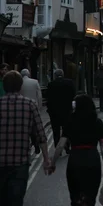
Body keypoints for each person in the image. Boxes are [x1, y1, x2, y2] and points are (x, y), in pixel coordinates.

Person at [0, 71, 51, 205]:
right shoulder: (30, 104)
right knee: (16, 201)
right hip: (20, 164)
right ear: (20, 86)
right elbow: (41, 134)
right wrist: (46, 158)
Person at [50, 93, 103, 206]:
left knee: (76, 198)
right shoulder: (98, 122)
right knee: (90, 199)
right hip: (93, 161)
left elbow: (60, 145)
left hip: (75, 160)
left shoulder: (71, 121)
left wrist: (53, 163)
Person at [47, 69, 75, 151]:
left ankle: (57, 149)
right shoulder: (70, 82)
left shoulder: (51, 84)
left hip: (54, 112)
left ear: (55, 75)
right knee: (67, 129)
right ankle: (67, 146)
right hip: (67, 111)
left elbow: (48, 98)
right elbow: (74, 94)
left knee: (56, 131)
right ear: (63, 75)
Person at [20, 69, 43, 155]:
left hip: (22, 108)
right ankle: (36, 145)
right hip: (34, 107)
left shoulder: (19, 82)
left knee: (24, 128)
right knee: (34, 128)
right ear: (29, 74)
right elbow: (39, 96)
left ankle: (27, 146)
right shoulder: (35, 82)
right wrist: (39, 107)